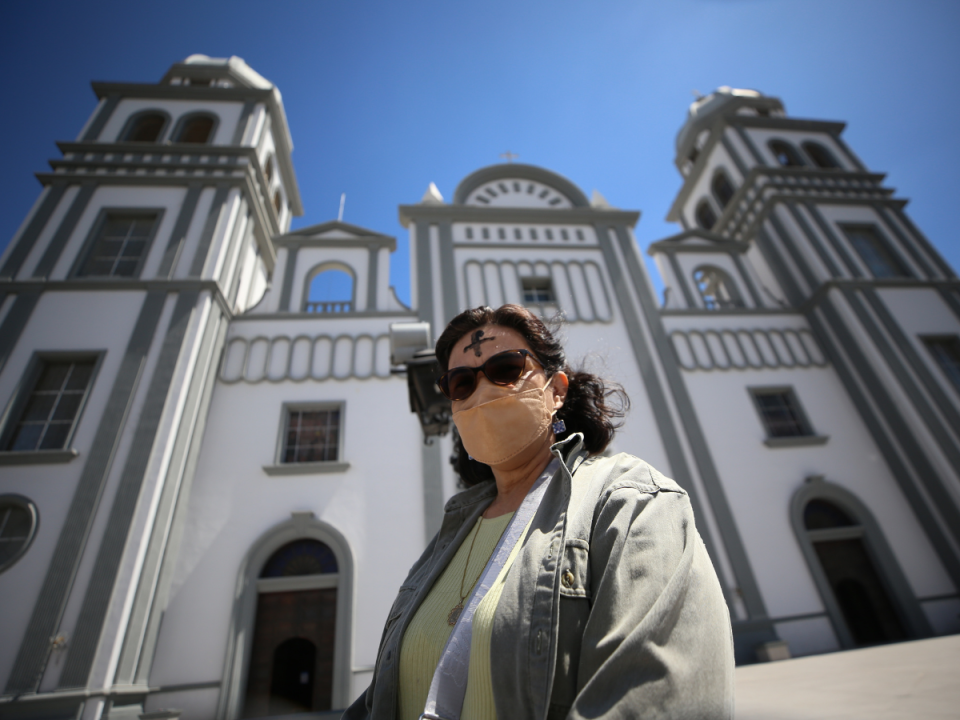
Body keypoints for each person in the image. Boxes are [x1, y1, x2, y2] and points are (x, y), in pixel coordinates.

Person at [344, 304, 734, 720]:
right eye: (461, 383)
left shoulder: (630, 500)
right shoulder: (454, 528)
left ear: (558, 389)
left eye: (507, 368)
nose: (484, 391)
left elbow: (659, 696)